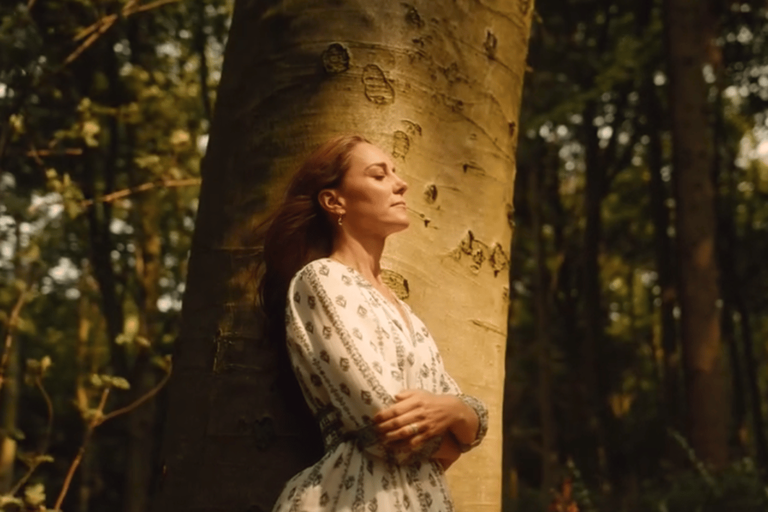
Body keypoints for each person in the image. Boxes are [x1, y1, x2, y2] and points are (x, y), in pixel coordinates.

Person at [258, 134, 488, 512]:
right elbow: (383, 422)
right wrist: (454, 433)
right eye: (379, 175)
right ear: (335, 201)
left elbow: (466, 412)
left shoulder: (406, 312)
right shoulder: (321, 280)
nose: (401, 184)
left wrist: (458, 412)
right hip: (355, 499)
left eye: (395, 173)